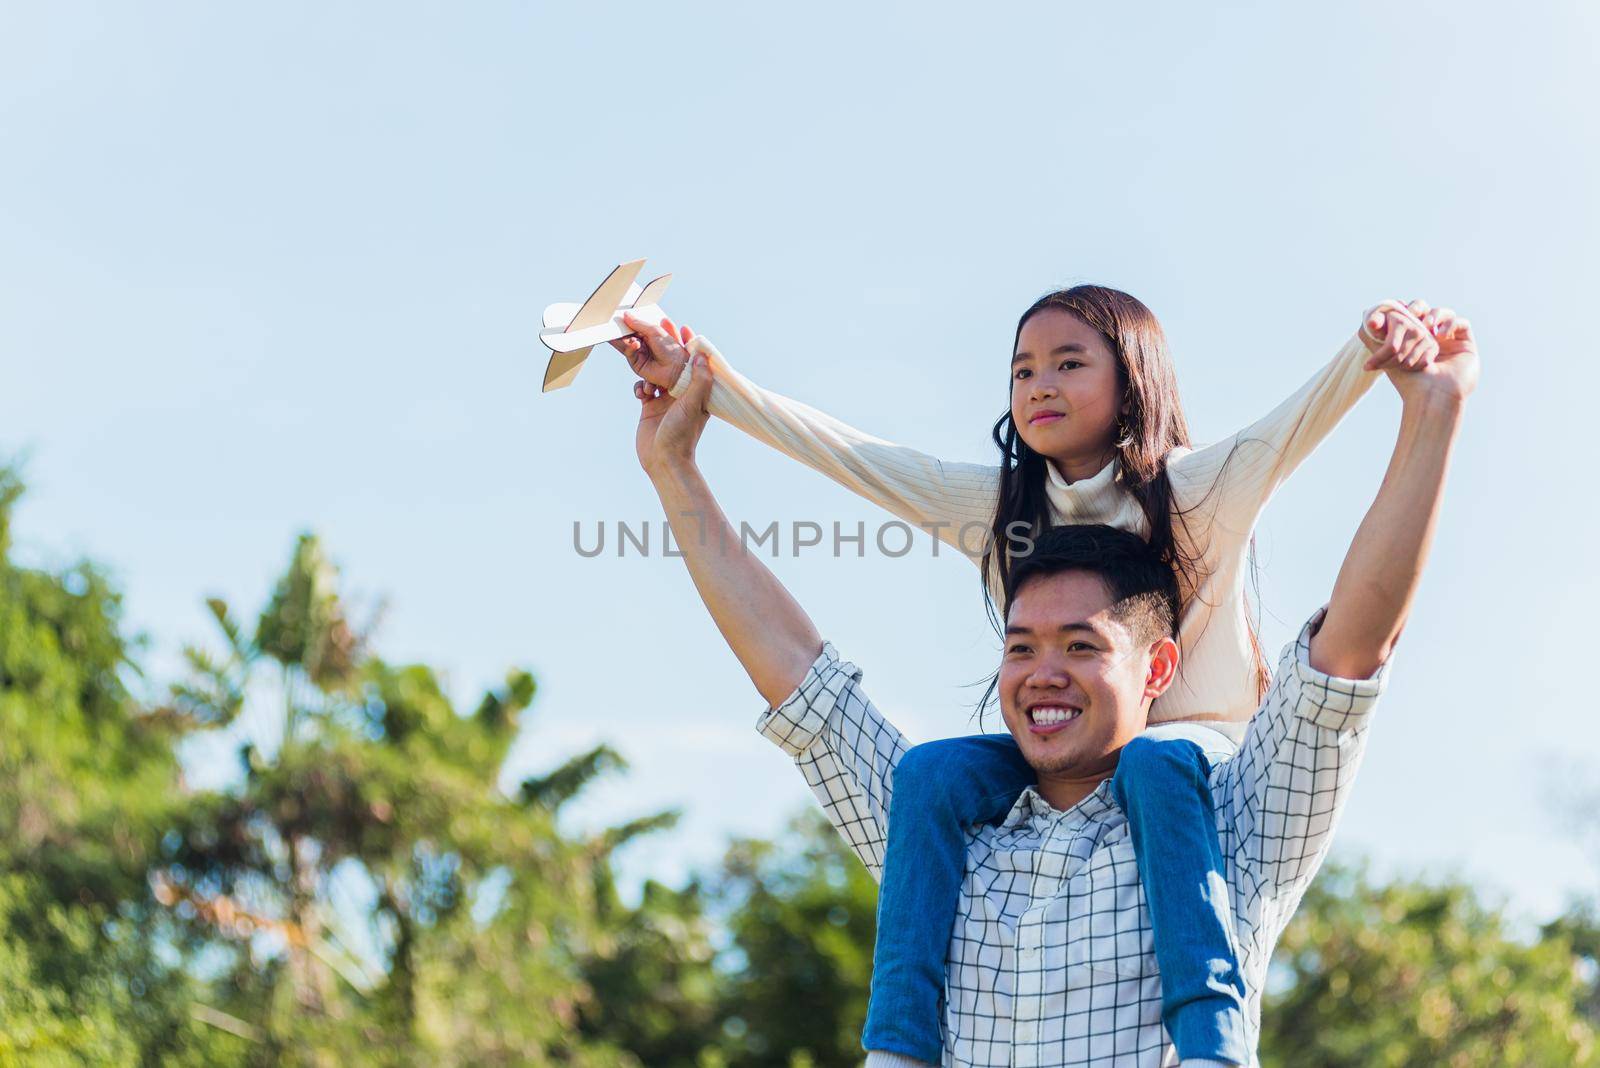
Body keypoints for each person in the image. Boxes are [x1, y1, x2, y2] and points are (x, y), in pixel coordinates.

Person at [613, 290, 1452, 1066]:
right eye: (1021, 646)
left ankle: (1211, 1047)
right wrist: (696, 405)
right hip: (1007, 795)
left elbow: (1347, 645)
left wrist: (1390, 363)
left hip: (1199, 760)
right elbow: (814, 654)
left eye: (1081, 647)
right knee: (927, 772)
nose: (1039, 385)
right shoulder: (945, 839)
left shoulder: (1234, 827)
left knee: (1161, 767)